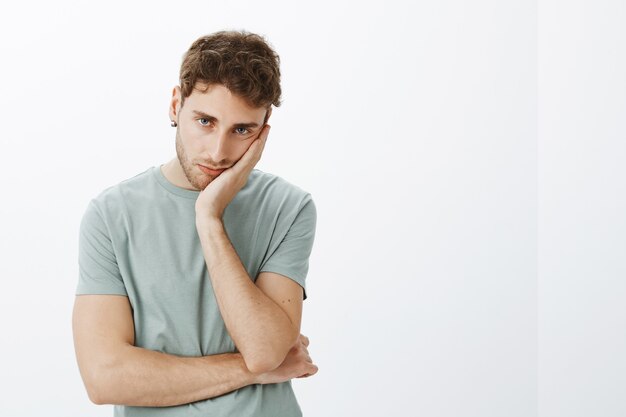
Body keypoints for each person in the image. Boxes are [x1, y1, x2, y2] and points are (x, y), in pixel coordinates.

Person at [72, 30, 318, 417]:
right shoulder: (111, 214)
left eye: (242, 130)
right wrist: (249, 372)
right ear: (175, 106)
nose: (218, 152)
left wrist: (208, 218)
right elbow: (105, 377)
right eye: (205, 121)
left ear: (263, 130)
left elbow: (265, 349)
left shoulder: (288, 207)